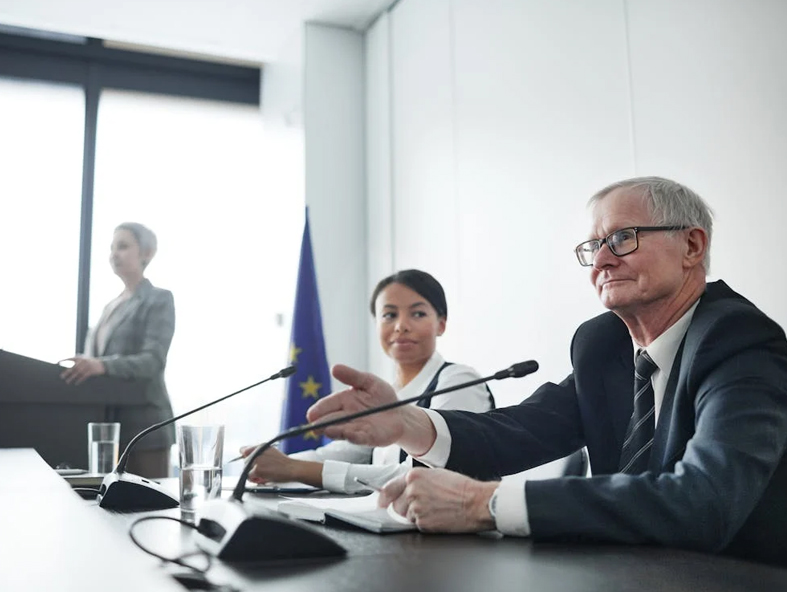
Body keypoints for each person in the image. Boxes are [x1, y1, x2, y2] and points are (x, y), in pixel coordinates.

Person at [307, 177, 787, 565]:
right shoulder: (604, 345)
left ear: (692, 246)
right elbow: (522, 430)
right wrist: (407, 423)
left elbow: (703, 501)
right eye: (594, 245)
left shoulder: (738, 340)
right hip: (628, 570)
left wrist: (483, 504)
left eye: (623, 238)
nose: (601, 260)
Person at [240, 269, 494, 493]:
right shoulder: (389, 394)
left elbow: (425, 478)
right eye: (389, 315)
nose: (401, 326)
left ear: (441, 324)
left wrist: (294, 469)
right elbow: (341, 454)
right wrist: (272, 460)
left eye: (417, 314)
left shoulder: (460, 380)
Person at [61, 222, 176, 478]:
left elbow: (152, 360)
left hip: (145, 430)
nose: (114, 254)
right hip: (107, 428)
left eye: (123, 246)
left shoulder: (159, 299)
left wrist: (101, 365)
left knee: (148, 501)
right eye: (112, 247)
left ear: (147, 253)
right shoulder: (110, 307)